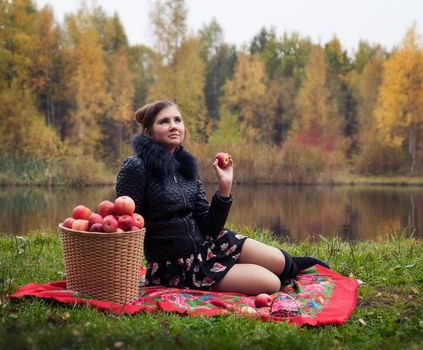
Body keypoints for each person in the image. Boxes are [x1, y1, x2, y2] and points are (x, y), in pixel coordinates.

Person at [116, 100, 328, 295]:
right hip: (177, 265)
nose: (173, 126)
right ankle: (242, 271)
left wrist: (224, 187)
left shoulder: (187, 168)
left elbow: (210, 227)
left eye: (177, 120)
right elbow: (126, 227)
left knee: (278, 260)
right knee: (271, 283)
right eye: (164, 121)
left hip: (207, 244)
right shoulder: (136, 167)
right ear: (149, 132)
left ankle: (286, 265)